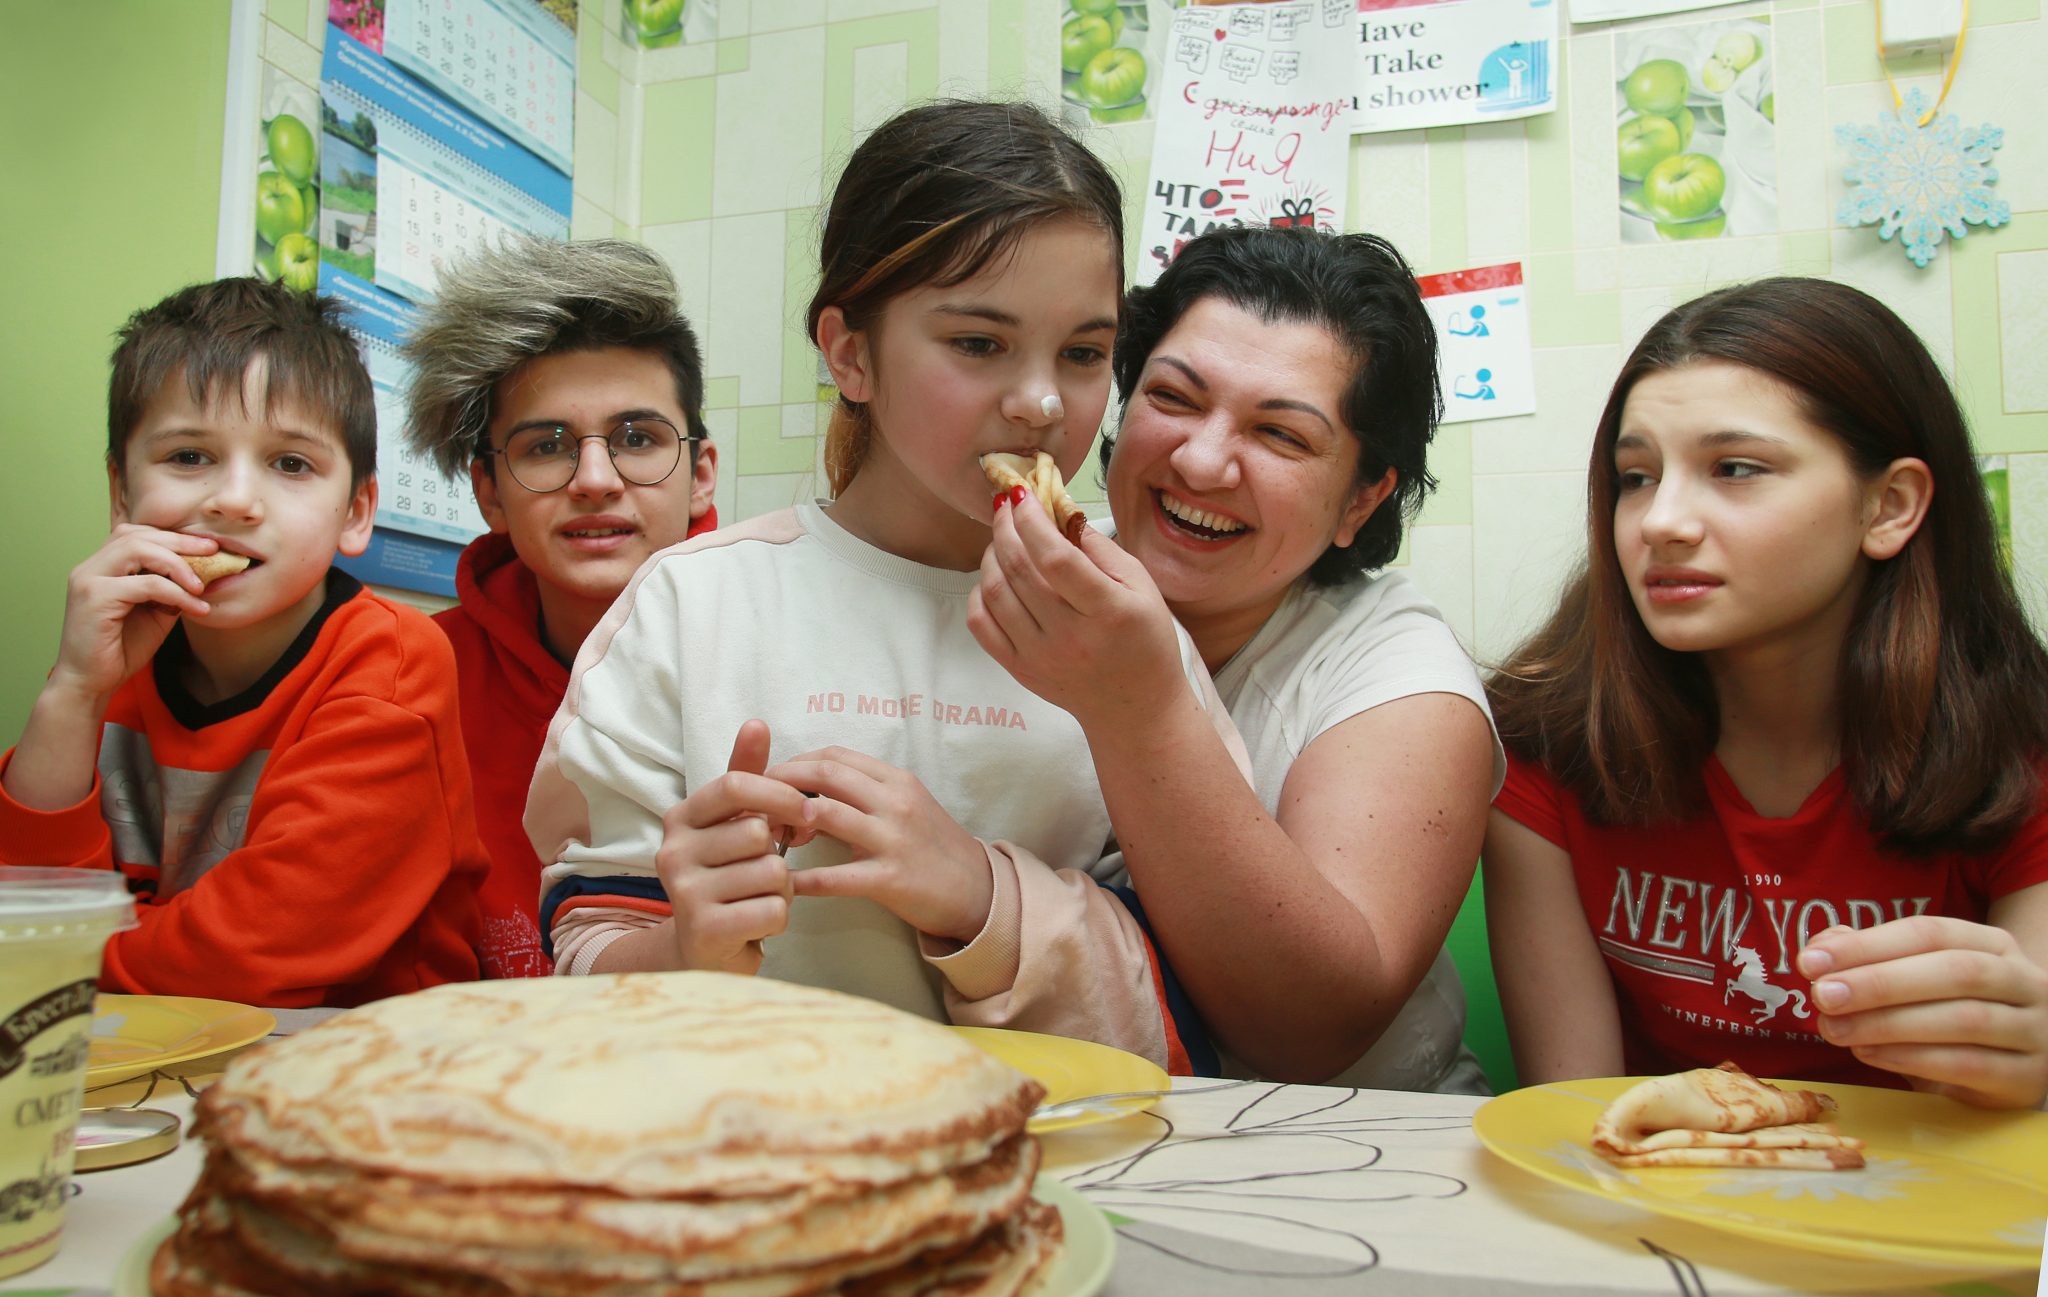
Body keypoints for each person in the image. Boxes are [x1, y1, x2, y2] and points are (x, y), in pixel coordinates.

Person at [526, 101, 1238, 1066]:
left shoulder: (1127, 629)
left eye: (1082, 353)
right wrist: (680, 946)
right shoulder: (691, 607)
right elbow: (582, 956)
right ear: (850, 352)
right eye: (979, 343)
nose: (1039, 402)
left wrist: (984, 901)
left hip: (1065, 1164)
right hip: (751, 1167)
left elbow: (1207, 991)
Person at [1484, 277, 2048, 1110]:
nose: (1661, 521)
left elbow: (2005, 1115)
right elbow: (1579, 1115)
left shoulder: (2020, 748)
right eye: (1636, 476)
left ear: (1889, 506)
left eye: (1736, 468)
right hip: (1664, 1208)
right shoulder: (1543, 743)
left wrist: (2024, 1067)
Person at [969, 226, 1504, 1089]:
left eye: (1281, 436)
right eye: (1174, 398)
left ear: (1361, 499)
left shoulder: (1399, 672)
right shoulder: (1034, 569)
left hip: (1352, 1156)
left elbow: (1313, 1028)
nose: (1203, 460)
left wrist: (1136, 709)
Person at [0, 278, 486, 1006]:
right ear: (122, 496)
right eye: (189, 456)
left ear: (355, 511)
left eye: (291, 463)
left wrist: (67, 965)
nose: (233, 499)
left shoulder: (390, 664)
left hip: (366, 1062)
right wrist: (73, 689)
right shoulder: (116, 647)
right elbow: (27, 903)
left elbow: (250, 954)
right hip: (150, 1053)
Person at [404, 236, 718, 978]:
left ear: (700, 474)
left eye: (638, 438)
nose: (595, 478)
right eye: (547, 447)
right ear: (490, 493)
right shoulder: (412, 677)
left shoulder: (784, 646)